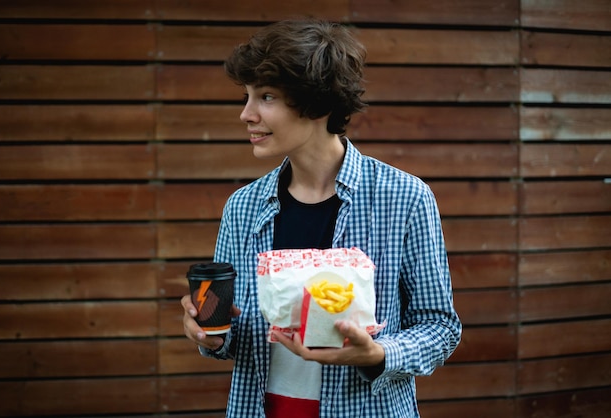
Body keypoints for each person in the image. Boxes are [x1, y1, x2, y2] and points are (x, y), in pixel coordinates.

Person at [181, 19, 461, 417]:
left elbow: (440, 328)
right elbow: (236, 338)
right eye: (247, 96)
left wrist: (377, 354)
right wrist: (209, 334)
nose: (246, 114)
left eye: (266, 97)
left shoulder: (405, 197)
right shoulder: (241, 208)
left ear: (318, 104)